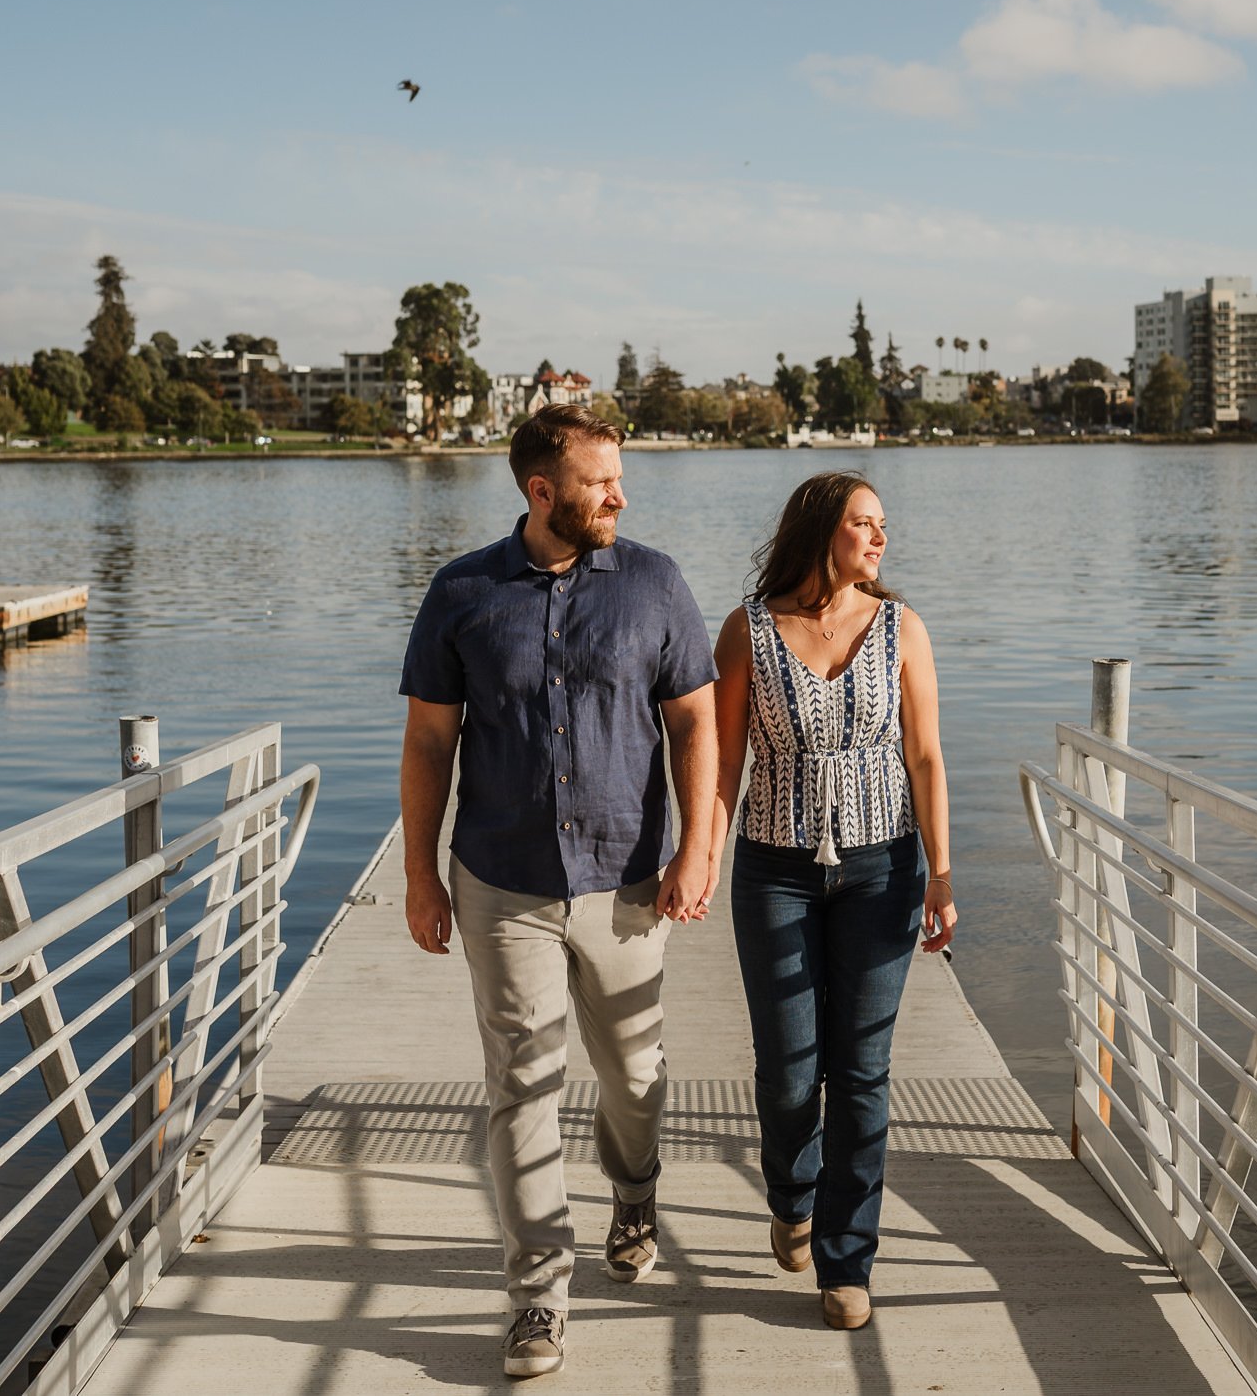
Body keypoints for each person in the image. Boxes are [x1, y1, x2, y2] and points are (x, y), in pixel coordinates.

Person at [399, 403, 722, 1380]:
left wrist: (697, 846)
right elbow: (427, 740)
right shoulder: (462, 592)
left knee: (633, 1074)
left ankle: (634, 1187)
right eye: (599, 481)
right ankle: (537, 1295)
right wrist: (420, 872)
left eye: (618, 477)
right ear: (542, 491)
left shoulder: (655, 584)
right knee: (522, 1083)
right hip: (502, 880)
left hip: (627, 877)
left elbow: (697, 723)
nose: (619, 494)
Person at [709, 470, 954, 1331]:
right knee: (788, 1070)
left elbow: (925, 756)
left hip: (884, 868)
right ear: (821, 529)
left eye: (884, 524)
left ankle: (847, 1262)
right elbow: (724, 766)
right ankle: (790, 1192)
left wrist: (944, 873)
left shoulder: (902, 628)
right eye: (865, 523)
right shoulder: (747, 632)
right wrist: (699, 856)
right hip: (774, 870)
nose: (882, 539)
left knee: (862, 1072)